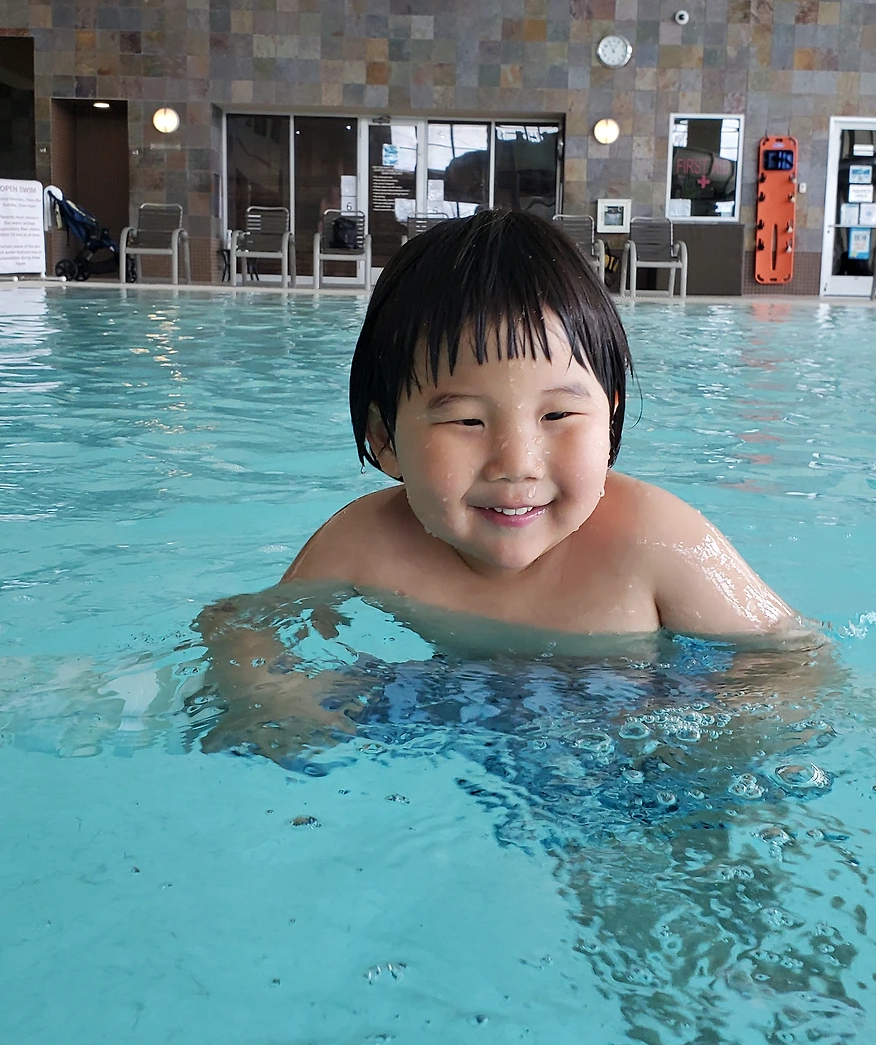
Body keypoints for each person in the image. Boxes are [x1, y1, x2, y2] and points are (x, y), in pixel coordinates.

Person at [200, 209, 814, 754]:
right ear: (386, 440)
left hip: (636, 726)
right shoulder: (364, 542)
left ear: (609, 421)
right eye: (467, 420)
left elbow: (791, 659)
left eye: (559, 415)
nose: (517, 462)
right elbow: (243, 626)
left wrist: (719, 740)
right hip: (457, 716)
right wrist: (268, 695)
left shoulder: (655, 541)